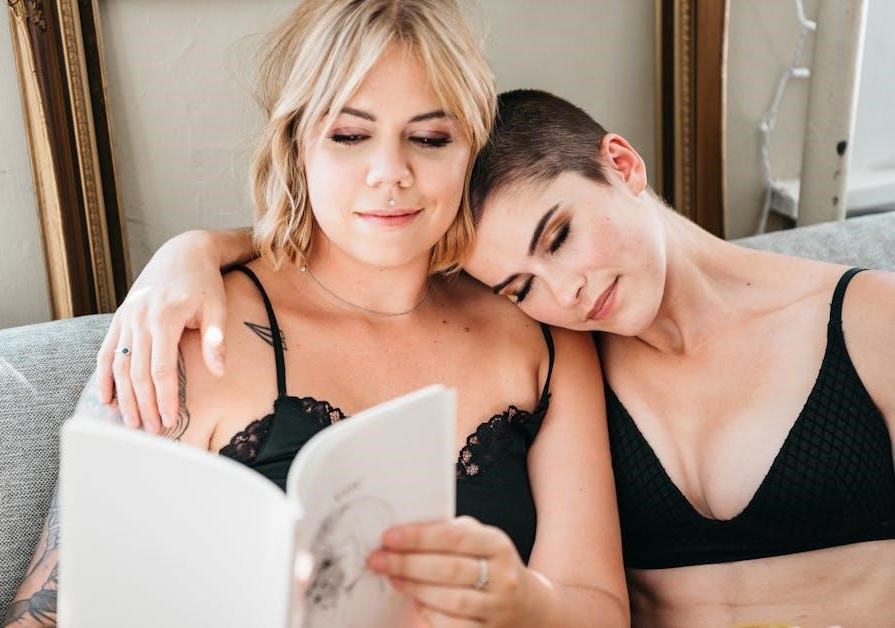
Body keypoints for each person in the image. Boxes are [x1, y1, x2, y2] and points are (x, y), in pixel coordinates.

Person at [110, 88, 895, 628]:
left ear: (622, 164)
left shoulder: (868, 322)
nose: (566, 289)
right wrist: (197, 250)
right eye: (521, 286)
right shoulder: (563, 353)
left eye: (560, 235)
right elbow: (357, 248)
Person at [4, 4, 627, 627]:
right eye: (349, 136)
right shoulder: (189, 335)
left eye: (431, 138)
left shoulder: (541, 334)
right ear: (297, 144)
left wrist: (520, 602)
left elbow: (598, 606)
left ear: (471, 149)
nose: (390, 174)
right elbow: (43, 617)